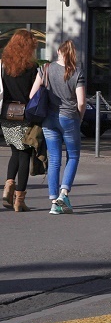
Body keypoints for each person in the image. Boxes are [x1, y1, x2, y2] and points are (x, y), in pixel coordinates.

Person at [41, 39, 86, 215]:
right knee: (73, 156)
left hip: (48, 119)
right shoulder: (77, 72)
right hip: (69, 118)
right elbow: (81, 102)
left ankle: (54, 202)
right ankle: (63, 193)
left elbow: (32, 94)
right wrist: (79, 119)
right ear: (73, 54)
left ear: (59, 52)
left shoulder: (46, 69)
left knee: (54, 160)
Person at [1, 29, 44, 212]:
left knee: (14, 152)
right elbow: (34, 94)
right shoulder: (32, 67)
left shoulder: (4, 65)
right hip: (24, 114)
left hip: (6, 114)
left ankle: (8, 185)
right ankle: (19, 199)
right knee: (25, 154)